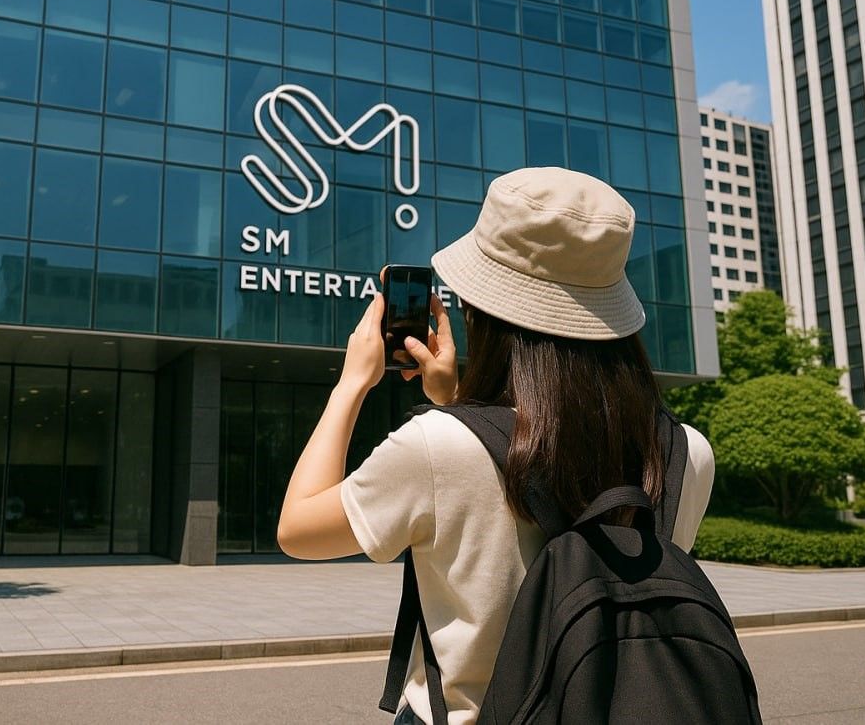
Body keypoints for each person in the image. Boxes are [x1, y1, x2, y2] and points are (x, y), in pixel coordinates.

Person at [277, 167, 715, 725]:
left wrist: (351, 384)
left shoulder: (437, 447)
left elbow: (297, 530)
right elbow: (548, 459)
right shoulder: (686, 452)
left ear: (483, 312)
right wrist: (453, 401)